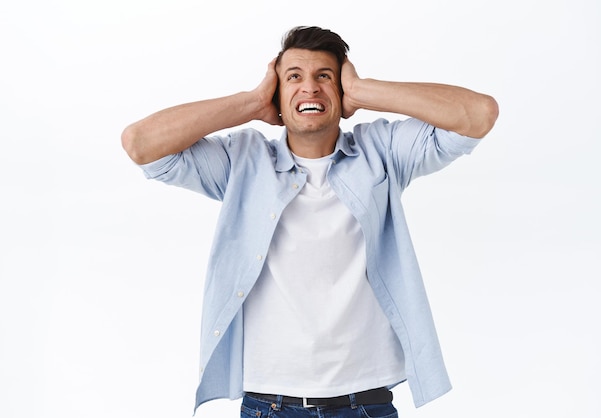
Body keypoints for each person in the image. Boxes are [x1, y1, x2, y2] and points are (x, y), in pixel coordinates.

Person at [122, 26, 498, 418]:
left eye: (324, 77)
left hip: (366, 403)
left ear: (341, 91)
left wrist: (365, 90)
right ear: (277, 96)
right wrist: (251, 102)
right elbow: (140, 143)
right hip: (270, 403)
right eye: (294, 77)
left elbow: (479, 114)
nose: (310, 88)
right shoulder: (243, 162)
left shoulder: (381, 152)